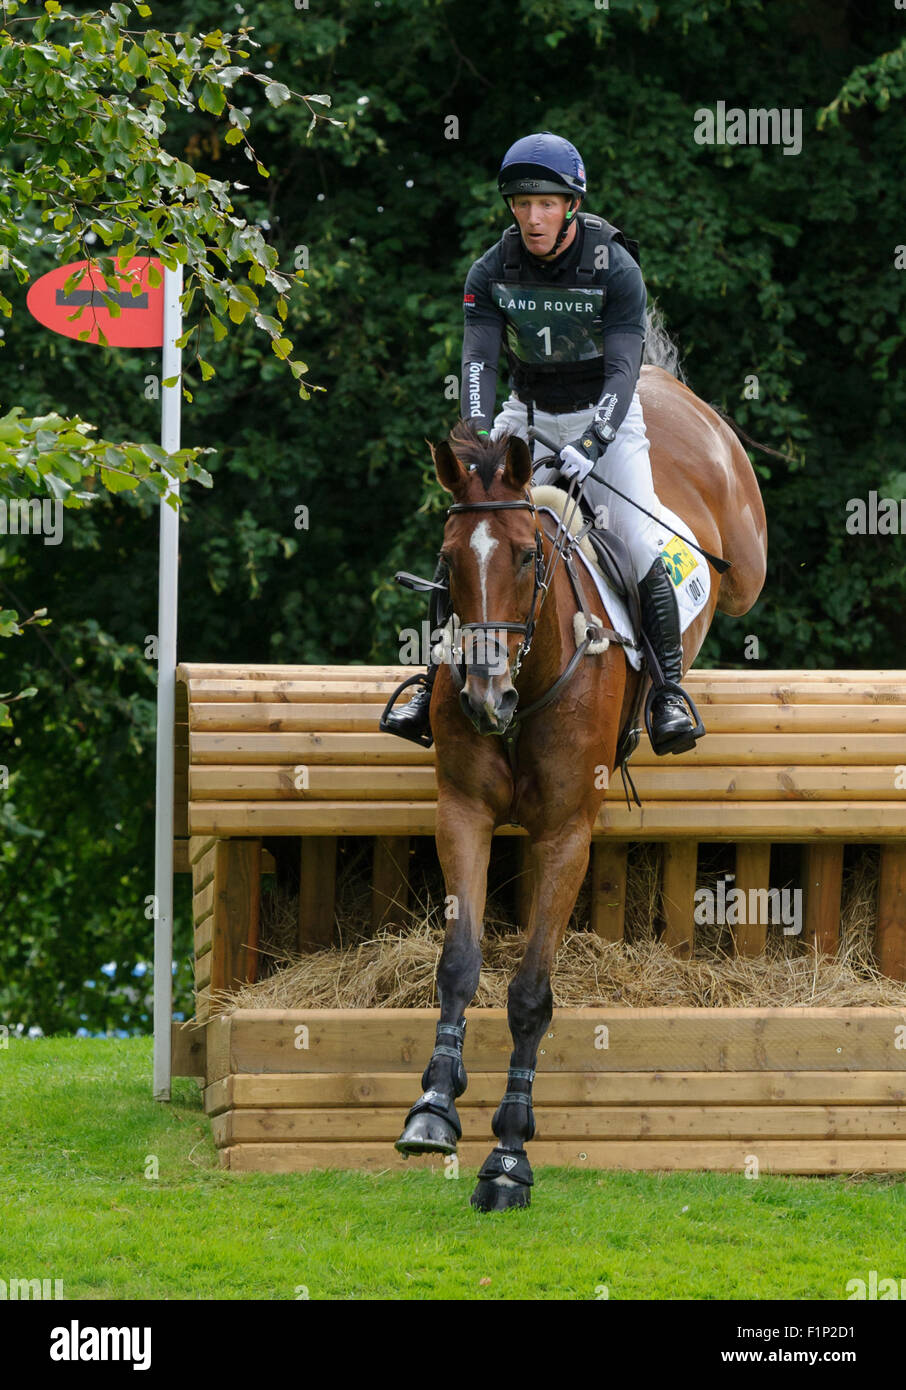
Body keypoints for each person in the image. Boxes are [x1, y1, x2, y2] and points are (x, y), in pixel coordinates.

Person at [382, 131, 700, 756]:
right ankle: (429, 681)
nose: (532, 217)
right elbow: (478, 363)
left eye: (546, 203)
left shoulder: (617, 268)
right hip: (525, 416)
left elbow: (623, 366)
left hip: (605, 416)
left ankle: (668, 694)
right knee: (474, 533)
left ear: (572, 207)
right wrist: (478, 447)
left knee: (638, 543)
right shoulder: (491, 270)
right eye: (521, 204)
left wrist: (597, 437)